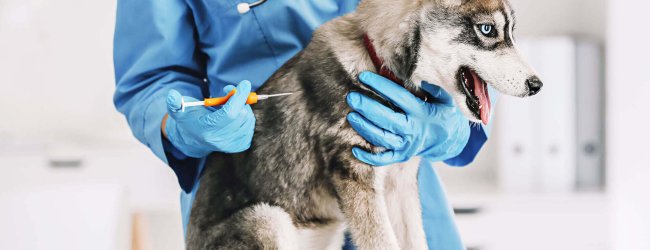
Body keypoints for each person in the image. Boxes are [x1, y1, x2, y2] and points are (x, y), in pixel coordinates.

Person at [113, 1, 494, 249]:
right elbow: (150, 80)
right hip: (258, 188)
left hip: (399, 186)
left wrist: (448, 126)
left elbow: (466, 38)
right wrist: (185, 125)